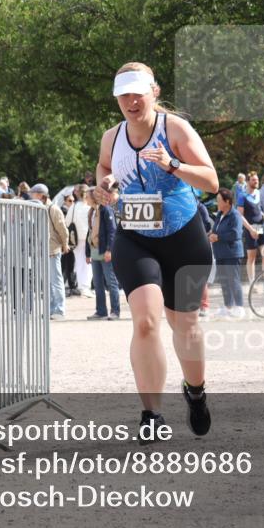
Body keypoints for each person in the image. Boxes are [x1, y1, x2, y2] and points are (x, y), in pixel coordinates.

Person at [93, 61, 216, 443]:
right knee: (146, 322)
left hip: (183, 238)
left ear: (154, 92)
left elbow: (211, 181)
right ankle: (151, 413)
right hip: (135, 237)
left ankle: (195, 392)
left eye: (137, 93)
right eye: (123, 95)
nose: (130, 101)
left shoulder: (175, 129)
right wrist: (105, 184)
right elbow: (102, 167)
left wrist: (173, 164)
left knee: (187, 327)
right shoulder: (111, 137)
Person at [31, 183, 69, 320]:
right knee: (47, 282)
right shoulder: (38, 208)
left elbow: (62, 229)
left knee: (56, 280)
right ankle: (50, 309)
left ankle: (59, 309)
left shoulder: (53, 208)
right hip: (42, 249)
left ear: (41, 195)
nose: (31, 196)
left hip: (52, 248)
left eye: (33, 193)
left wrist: (65, 244)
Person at [86, 184, 121, 320]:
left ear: (94, 198)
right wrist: (87, 253)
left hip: (104, 251)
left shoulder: (106, 210)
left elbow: (112, 231)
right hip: (95, 251)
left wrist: (109, 250)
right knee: (97, 283)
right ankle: (101, 311)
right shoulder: (91, 211)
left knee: (111, 281)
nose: (86, 199)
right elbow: (89, 233)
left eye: (87, 197)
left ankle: (115, 311)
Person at [209, 188, 245, 318]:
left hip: (232, 253)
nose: (217, 203)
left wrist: (218, 237)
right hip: (220, 253)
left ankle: (240, 307)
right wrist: (211, 235)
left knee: (233, 280)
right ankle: (228, 307)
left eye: (219, 200)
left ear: (227, 202)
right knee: (224, 281)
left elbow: (236, 233)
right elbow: (215, 230)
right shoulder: (219, 214)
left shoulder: (235, 215)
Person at [237, 172, 264, 290]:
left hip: (261, 226)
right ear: (248, 182)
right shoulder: (242, 195)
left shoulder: (259, 193)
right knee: (252, 258)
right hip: (250, 228)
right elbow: (240, 216)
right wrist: (250, 229)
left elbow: (259, 210)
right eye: (253, 180)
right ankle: (252, 284)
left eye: (257, 180)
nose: (256, 182)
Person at [65, 184, 93, 297]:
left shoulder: (73, 207)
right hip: (86, 238)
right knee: (87, 263)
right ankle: (85, 287)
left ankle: (81, 286)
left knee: (79, 262)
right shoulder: (88, 208)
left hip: (75, 238)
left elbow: (67, 222)